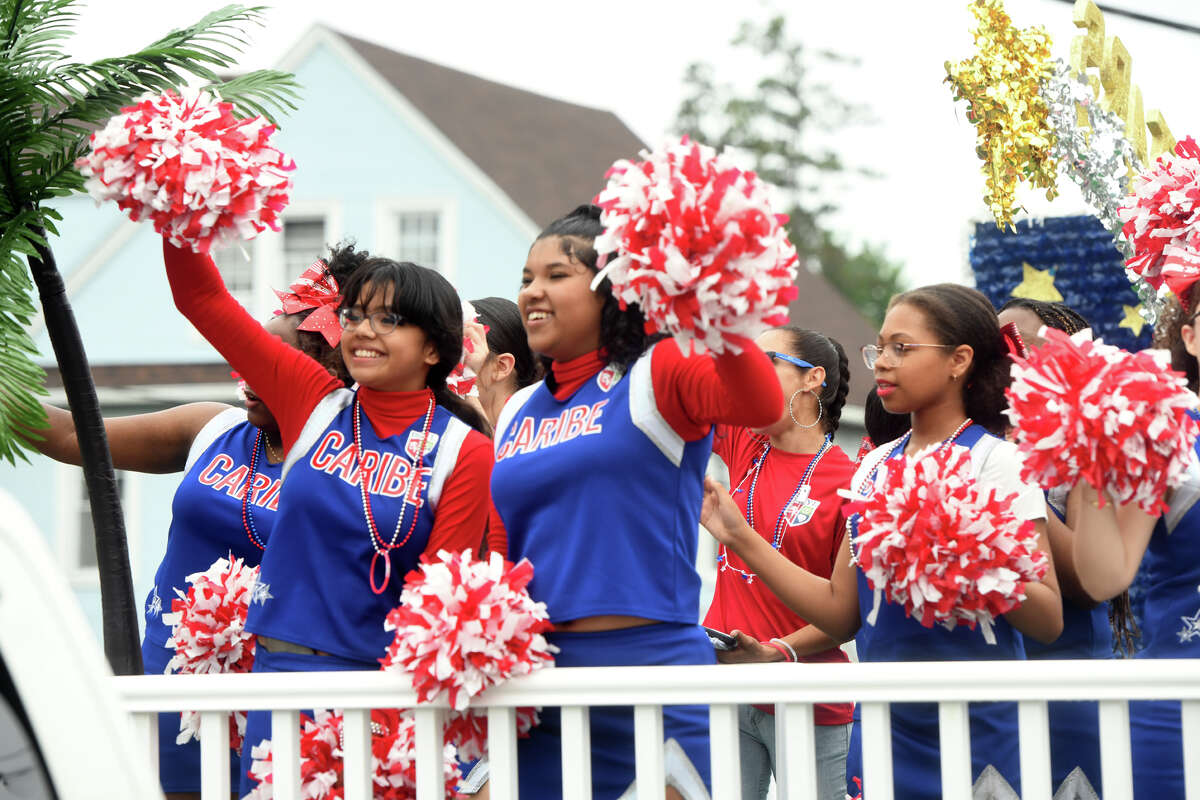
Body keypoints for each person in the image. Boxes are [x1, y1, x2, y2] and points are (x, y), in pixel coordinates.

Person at [159, 239, 493, 796]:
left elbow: (435, 614)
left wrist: (390, 725)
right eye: (355, 315)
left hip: (378, 697)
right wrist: (178, 213)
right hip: (279, 681)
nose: (364, 330)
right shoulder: (314, 402)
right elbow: (203, 300)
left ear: (434, 348)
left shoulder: (465, 451)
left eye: (388, 319)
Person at [702, 284, 1062, 799]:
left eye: (902, 348)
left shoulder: (997, 462)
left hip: (979, 731)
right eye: (881, 349)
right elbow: (841, 613)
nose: (883, 363)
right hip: (883, 730)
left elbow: (1048, 618)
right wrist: (737, 534)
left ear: (959, 360)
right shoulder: (873, 466)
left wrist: (968, 547)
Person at [29, 248, 358, 799]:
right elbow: (71, 437)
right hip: (163, 690)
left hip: (271, 708)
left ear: (325, 372)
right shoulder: (212, 429)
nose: (246, 372)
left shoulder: (348, 462)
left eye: (270, 360)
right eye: (251, 350)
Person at [486, 204, 783, 800]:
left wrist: (704, 303)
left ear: (614, 289)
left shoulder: (657, 372)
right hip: (539, 680)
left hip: (653, 674)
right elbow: (502, 543)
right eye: (525, 279)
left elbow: (762, 405)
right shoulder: (518, 409)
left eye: (556, 275)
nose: (532, 293)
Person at [702, 326, 856, 800]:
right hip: (726, 684)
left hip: (806, 696)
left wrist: (776, 652)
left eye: (763, 362)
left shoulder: (851, 481)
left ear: (813, 380)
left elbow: (845, 616)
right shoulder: (746, 444)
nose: (747, 375)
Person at [998, 297, 1137, 796]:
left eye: (1022, 346)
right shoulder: (984, 443)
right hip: (996, 687)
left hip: (1071, 685)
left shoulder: (1090, 445)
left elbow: (1088, 583)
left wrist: (1010, 482)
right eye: (998, 347)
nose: (1008, 360)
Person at [1069, 284, 1200, 799]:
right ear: (1189, 337)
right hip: (1180, 701)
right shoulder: (1167, 431)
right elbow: (1106, 578)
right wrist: (1092, 458)